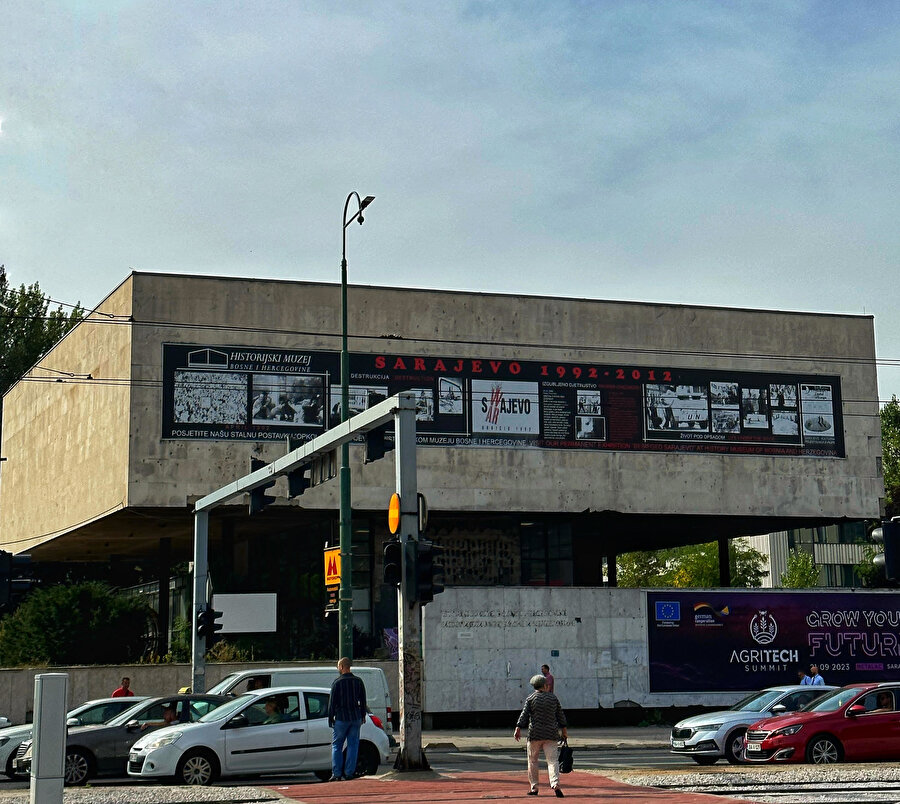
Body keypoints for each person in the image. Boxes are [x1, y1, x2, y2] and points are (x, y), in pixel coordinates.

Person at [514, 674, 568, 798]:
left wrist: (518, 727)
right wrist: (564, 730)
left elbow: (524, 715)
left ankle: (534, 788)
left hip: (535, 734)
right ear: (545, 685)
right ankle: (555, 784)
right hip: (551, 734)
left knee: (532, 761)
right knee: (552, 761)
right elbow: (560, 715)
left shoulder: (531, 698)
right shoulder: (553, 698)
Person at [327, 657, 368, 782]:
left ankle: (337, 773)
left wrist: (330, 718)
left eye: (338, 666)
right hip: (355, 717)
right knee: (353, 745)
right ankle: (349, 772)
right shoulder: (358, 681)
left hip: (341, 717)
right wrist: (362, 715)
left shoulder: (337, 683)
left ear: (342, 667)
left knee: (337, 745)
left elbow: (332, 703)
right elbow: (363, 700)